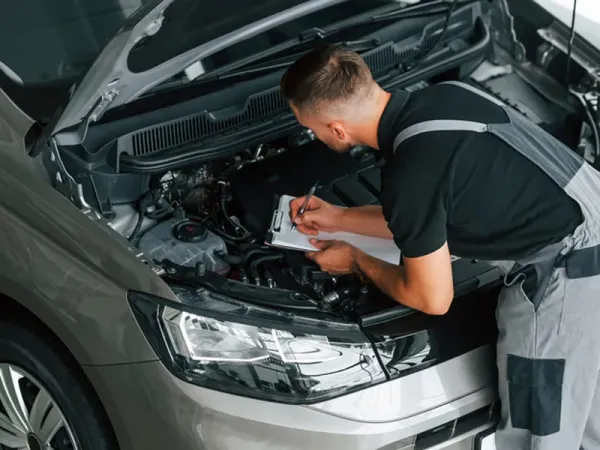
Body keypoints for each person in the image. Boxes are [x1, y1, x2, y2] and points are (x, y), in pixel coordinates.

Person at [279, 44, 600, 450]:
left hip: (570, 277)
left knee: (540, 426)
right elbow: (428, 211)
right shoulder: (447, 96)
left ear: (337, 130)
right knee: (585, 406)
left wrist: (356, 260)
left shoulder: (411, 175)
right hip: (593, 215)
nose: (314, 136)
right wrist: (338, 218)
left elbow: (432, 297)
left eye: (312, 128)